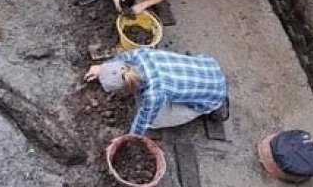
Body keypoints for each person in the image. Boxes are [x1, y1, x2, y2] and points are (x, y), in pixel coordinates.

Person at [85, 48, 228, 133]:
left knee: (154, 122)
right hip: (208, 65)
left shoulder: (154, 94)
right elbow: (120, 60)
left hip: (213, 96)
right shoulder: (138, 54)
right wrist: (102, 68)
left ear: (126, 90)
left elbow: (142, 124)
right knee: (158, 100)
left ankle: (212, 108)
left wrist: (130, 138)